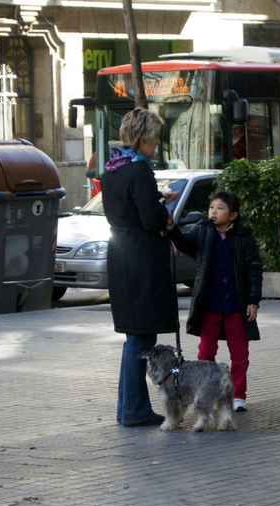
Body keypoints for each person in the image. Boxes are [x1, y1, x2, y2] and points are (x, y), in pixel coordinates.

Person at [101, 107, 179, 427]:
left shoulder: (112, 168)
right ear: (143, 138)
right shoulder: (139, 170)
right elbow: (149, 219)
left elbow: (129, 208)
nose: (157, 144)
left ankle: (128, 407)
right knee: (141, 338)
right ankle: (134, 410)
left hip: (121, 253)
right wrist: (165, 213)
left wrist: (155, 199)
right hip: (141, 256)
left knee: (134, 335)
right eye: (155, 137)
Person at [167, 191, 262, 412]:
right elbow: (184, 243)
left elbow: (254, 271)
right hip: (209, 305)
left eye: (220, 208)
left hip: (237, 307)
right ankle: (206, 394)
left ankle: (238, 396)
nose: (214, 212)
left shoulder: (244, 238)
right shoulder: (202, 231)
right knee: (205, 354)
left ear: (233, 214)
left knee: (239, 355)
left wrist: (253, 301)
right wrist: (172, 228)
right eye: (211, 207)